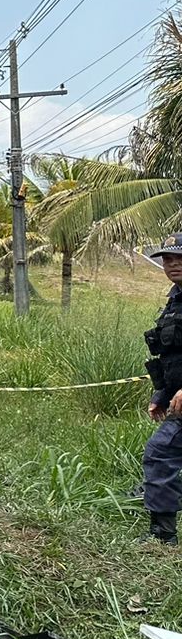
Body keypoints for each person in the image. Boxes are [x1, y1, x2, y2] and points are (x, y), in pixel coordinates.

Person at [142, 233, 182, 544]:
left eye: (179, 257)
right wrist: (161, 395)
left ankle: (163, 536)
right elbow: (169, 355)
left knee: (160, 453)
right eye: (167, 259)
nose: (173, 264)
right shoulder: (174, 299)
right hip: (176, 398)